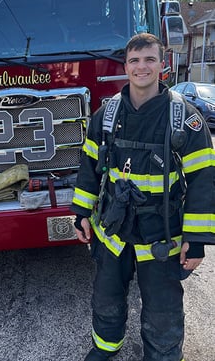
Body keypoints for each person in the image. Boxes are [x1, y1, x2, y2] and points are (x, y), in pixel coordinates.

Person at [71, 33, 215, 361]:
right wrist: (81, 211)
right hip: (113, 228)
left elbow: (204, 181)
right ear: (125, 67)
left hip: (162, 231)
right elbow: (89, 167)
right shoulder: (106, 115)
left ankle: (162, 356)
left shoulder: (186, 120)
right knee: (106, 296)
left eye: (149, 59)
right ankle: (106, 348)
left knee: (163, 307)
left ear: (162, 65)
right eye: (135, 60)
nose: (141, 67)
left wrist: (197, 239)